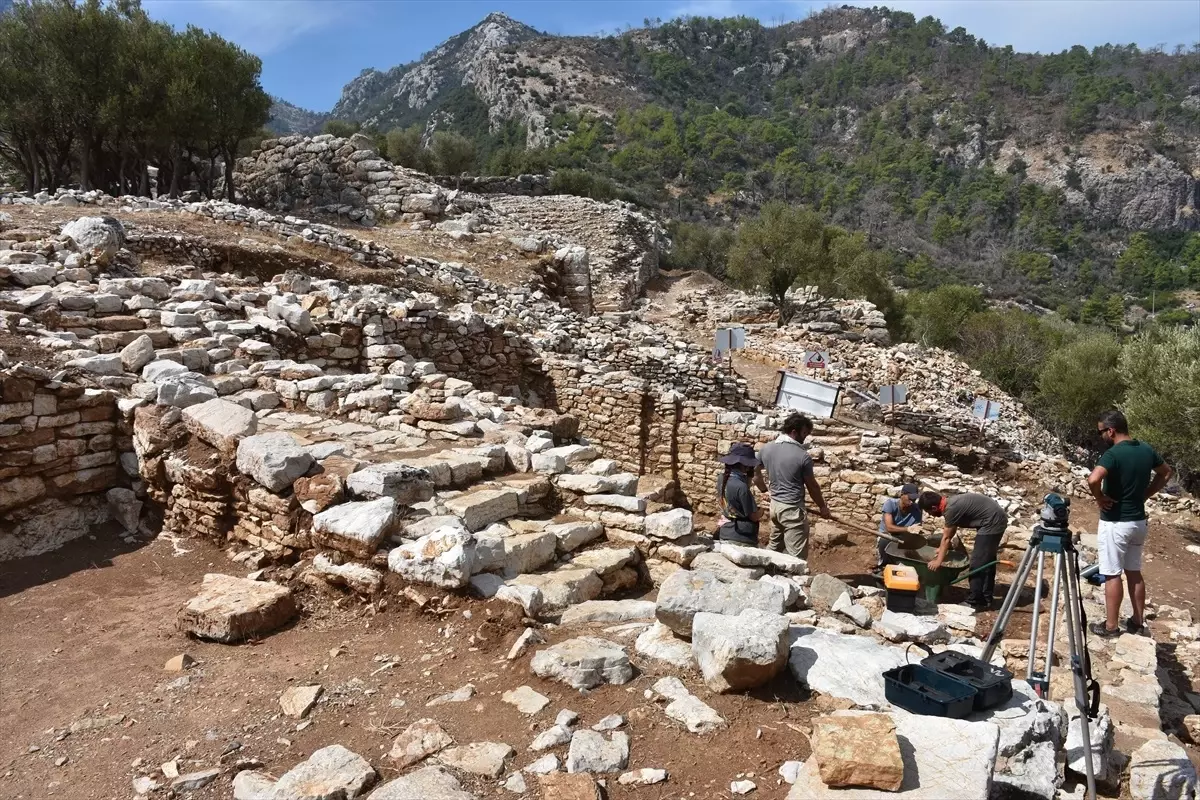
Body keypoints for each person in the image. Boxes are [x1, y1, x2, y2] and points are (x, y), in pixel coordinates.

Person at [1086, 409, 1172, 638]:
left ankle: (1111, 626)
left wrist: (1099, 498)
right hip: (1138, 523)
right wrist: (1145, 494)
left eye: (1101, 432)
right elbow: (1166, 473)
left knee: (1112, 574)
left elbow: (1093, 478)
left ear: (1111, 430)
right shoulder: (1145, 449)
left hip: (1115, 522)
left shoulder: (1113, 455)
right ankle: (1137, 620)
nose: (1101, 436)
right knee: (1134, 572)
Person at [758, 412, 831, 559]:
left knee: (775, 546)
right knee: (795, 556)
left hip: (775, 507)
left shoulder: (766, 449)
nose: (805, 437)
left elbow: (754, 473)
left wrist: (764, 490)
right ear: (793, 431)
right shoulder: (802, 456)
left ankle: (765, 572)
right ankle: (793, 580)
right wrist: (822, 507)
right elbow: (812, 486)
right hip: (792, 510)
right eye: (804, 433)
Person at [919, 491, 1008, 610]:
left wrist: (938, 561)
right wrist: (941, 549)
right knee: (986, 561)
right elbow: (951, 531)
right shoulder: (950, 503)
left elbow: (946, 537)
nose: (930, 515)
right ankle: (986, 598)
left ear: (934, 507)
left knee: (978, 563)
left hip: (992, 523)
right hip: (994, 518)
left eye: (929, 512)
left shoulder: (951, 509)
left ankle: (975, 601)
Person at [715, 442, 765, 546]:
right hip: (741, 537)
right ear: (745, 465)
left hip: (725, 533)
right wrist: (762, 510)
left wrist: (749, 476)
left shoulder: (721, 478)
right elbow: (753, 517)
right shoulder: (741, 487)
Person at [874, 483, 923, 575]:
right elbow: (889, 527)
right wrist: (908, 529)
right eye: (910, 498)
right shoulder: (890, 504)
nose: (912, 501)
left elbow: (917, 529)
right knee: (885, 541)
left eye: (914, 499)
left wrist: (917, 532)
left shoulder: (917, 509)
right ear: (902, 495)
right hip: (888, 535)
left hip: (904, 538)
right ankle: (883, 566)